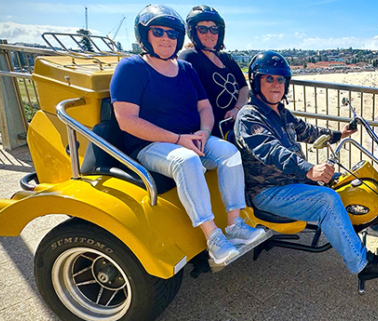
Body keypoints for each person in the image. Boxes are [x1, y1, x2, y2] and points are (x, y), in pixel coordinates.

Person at [109, 5, 265, 265]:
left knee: (229, 153)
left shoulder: (185, 68)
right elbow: (127, 121)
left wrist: (204, 132)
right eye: (157, 32)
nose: (165, 38)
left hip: (191, 137)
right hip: (150, 145)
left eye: (171, 34)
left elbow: (204, 106)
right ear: (144, 35)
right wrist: (179, 139)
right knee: (186, 160)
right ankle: (213, 238)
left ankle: (235, 224)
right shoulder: (131, 68)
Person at [234, 51, 378, 281]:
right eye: (269, 78)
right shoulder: (249, 117)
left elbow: (307, 131)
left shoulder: (281, 112)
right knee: (327, 200)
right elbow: (270, 150)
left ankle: (377, 223)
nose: (276, 84)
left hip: (294, 182)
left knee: (350, 182)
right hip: (268, 192)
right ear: (256, 82)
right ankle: (362, 264)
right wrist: (308, 169)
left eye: (280, 79)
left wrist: (338, 134)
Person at [178, 5, 247, 140]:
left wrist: (237, 109)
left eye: (214, 29)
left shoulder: (226, 58)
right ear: (194, 32)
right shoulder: (190, 57)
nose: (209, 34)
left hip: (237, 123)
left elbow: (244, 87)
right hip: (213, 130)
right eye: (202, 29)